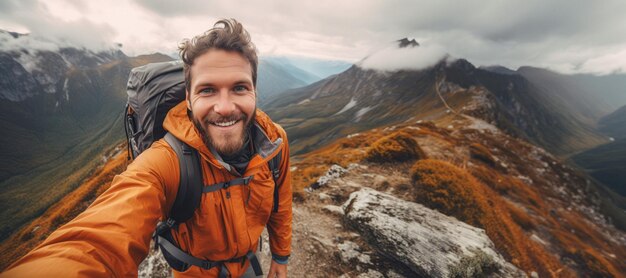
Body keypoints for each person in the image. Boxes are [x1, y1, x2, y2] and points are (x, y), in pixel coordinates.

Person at [1, 18, 292, 278]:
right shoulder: (168, 160)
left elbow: (280, 202)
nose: (225, 107)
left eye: (239, 88)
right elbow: (97, 240)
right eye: (207, 90)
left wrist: (280, 256)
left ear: (255, 91)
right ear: (188, 100)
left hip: (249, 266)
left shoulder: (274, 142)